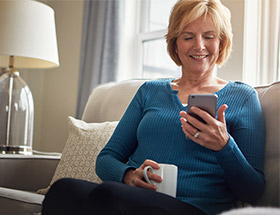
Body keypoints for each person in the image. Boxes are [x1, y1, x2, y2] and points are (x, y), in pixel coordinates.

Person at [42, 0, 265, 215]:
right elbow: (107, 158)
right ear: (175, 44)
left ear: (222, 42)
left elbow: (252, 191)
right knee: (63, 190)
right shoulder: (150, 91)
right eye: (188, 37)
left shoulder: (243, 97)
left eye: (209, 36)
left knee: (110, 195)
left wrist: (224, 146)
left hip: (196, 207)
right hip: (133, 196)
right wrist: (128, 175)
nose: (199, 45)